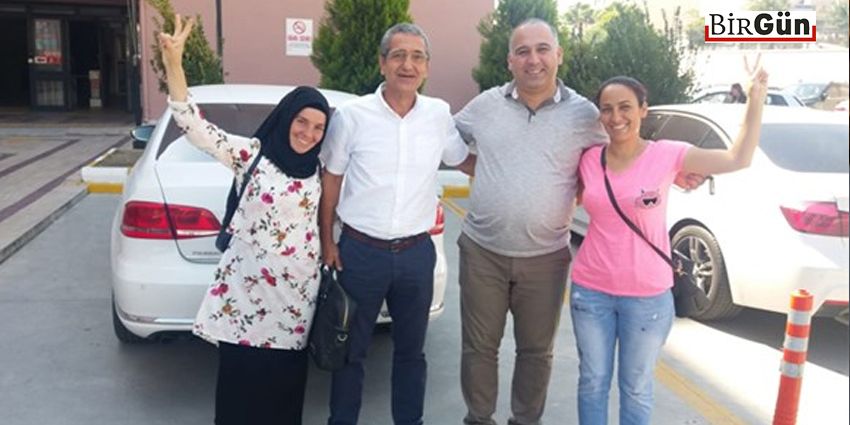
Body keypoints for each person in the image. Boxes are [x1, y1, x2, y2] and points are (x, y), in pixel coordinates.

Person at [569, 56, 767, 425]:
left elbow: (737, 158)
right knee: (592, 382)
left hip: (647, 297)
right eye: (607, 109)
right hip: (591, 291)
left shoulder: (667, 155)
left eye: (625, 107)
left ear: (643, 110)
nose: (616, 117)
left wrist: (755, 98)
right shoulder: (589, 159)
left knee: (636, 387)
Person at [158, 15, 331, 425]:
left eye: (318, 127)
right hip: (244, 301)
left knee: (284, 399)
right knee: (239, 397)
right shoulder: (251, 155)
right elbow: (193, 126)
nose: (308, 133)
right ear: (286, 117)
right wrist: (174, 65)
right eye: (302, 122)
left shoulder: (322, 169)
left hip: (295, 305)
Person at [452, 18, 608, 425]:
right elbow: (446, 140)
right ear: (510, 61)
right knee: (478, 348)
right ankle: (478, 418)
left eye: (542, 49)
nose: (533, 60)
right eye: (522, 51)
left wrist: (678, 170)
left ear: (559, 55)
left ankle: (525, 420)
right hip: (483, 252)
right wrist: (482, 168)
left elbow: (619, 157)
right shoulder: (486, 105)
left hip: (546, 257)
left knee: (536, 352)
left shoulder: (584, 115)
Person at [318, 23, 473, 425]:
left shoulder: (438, 114)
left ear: (427, 67)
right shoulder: (352, 116)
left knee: (411, 353)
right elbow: (331, 178)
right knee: (350, 351)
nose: (408, 64)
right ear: (382, 63)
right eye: (399, 55)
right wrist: (327, 242)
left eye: (417, 57)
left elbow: (463, 160)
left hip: (415, 254)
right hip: (359, 253)